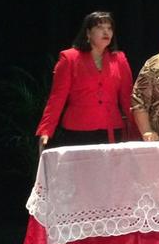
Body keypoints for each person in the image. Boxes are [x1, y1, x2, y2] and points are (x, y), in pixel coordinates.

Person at [36, 11, 134, 151]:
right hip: (78, 129)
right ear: (88, 33)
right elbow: (57, 97)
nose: (106, 32)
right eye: (100, 28)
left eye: (109, 28)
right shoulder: (69, 58)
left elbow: (127, 97)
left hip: (112, 127)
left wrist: (137, 129)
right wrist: (46, 130)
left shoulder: (119, 59)